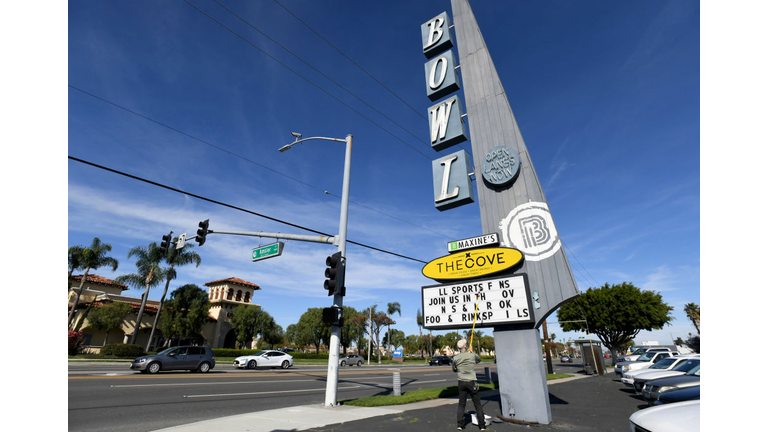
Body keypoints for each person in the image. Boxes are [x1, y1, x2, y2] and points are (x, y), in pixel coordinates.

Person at [452, 339, 486, 431]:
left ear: (458, 348)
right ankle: (482, 425)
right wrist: (472, 351)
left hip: (461, 382)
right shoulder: (471, 355)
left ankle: (460, 425)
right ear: (466, 347)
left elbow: (454, 369)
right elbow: (478, 360)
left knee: (461, 404)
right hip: (472, 381)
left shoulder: (455, 358)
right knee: (477, 404)